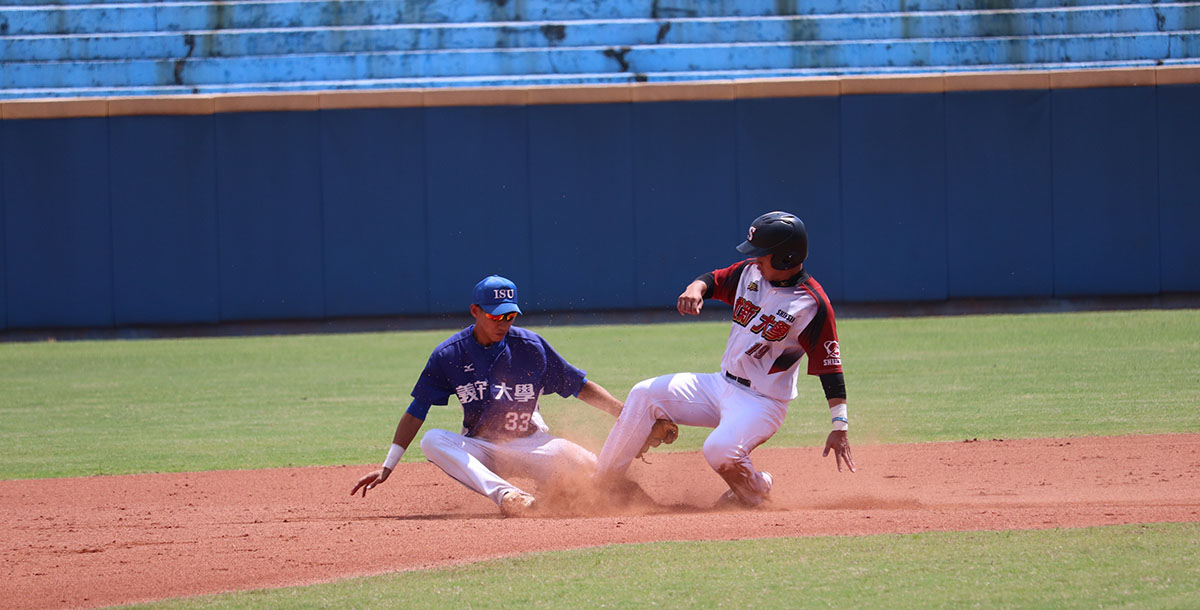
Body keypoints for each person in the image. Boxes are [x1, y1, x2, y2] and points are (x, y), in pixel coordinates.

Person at [595, 211, 855, 507]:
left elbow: (830, 369)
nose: (755, 259)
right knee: (644, 394)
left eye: (762, 254)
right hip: (720, 384)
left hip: (762, 402)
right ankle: (603, 485)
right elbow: (712, 280)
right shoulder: (751, 273)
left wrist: (840, 427)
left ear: (785, 257)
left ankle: (756, 489)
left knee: (719, 450)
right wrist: (695, 288)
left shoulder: (812, 304)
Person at [351, 275, 624, 517]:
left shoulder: (531, 346)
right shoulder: (450, 354)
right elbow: (416, 410)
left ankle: (559, 493)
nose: (503, 323)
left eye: (509, 316)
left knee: (590, 469)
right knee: (433, 440)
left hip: (532, 445)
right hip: (482, 449)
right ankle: (509, 497)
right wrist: (387, 466)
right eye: (495, 316)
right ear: (475, 311)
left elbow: (579, 385)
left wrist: (623, 412)